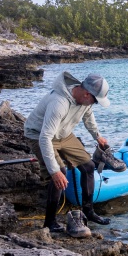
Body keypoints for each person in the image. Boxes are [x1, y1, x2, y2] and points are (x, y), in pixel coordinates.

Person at [24, 71, 113, 234]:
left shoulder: (85, 101)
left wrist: (98, 136)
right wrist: (54, 171)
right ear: (87, 93)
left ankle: (88, 211)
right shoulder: (59, 103)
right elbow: (45, 138)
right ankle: (49, 222)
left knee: (88, 166)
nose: (94, 104)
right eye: (95, 101)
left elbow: (88, 116)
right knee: (60, 173)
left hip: (63, 133)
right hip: (39, 134)